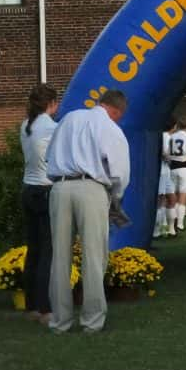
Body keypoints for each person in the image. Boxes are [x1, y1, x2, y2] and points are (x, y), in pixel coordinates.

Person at [46, 89, 130, 333]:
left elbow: (50, 153)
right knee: (93, 256)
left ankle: (60, 321)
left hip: (60, 187)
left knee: (59, 257)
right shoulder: (111, 128)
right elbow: (119, 173)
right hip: (91, 188)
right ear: (116, 111)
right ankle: (92, 321)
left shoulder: (69, 118)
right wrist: (115, 198)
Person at [20, 84, 59, 326]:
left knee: (33, 250)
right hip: (45, 190)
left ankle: (31, 306)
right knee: (48, 251)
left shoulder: (25, 126)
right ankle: (46, 309)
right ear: (51, 103)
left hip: (27, 189)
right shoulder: (52, 127)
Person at [168, 116, 186, 232]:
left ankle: (172, 224)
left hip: (171, 167)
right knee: (183, 196)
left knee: (172, 197)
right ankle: (180, 224)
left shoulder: (171, 137)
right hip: (184, 167)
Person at [153, 117, 177, 239]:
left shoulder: (166, 136)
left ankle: (168, 230)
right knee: (160, 201)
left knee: (172, 199)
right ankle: (157, 231)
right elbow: (164, 153)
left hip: (166, 172)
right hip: (162, 171)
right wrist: (171, 160)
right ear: (174, 126)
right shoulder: (164, 136)